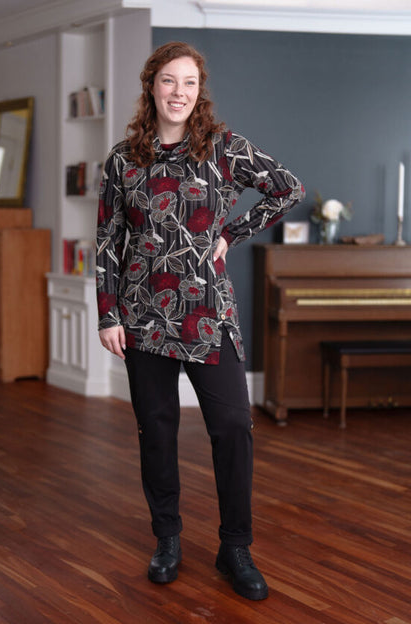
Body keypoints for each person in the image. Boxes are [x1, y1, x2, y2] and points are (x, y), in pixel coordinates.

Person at [96, 41, 305, 601]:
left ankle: (235, 547)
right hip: (140, 318)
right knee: (156, 434)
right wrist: (106, 314)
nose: (179, 93)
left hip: (209, 315)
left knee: (233, 429)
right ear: (152, 86)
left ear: (199, 90)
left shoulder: (222, 148)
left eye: (189, 83)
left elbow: (288, 187)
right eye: (169, 81)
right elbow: (108, 243)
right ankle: (167, 539)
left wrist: (230, 234)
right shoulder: (122, 160)